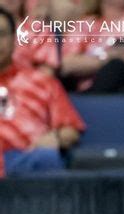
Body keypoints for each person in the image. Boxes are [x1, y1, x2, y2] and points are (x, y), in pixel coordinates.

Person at [0, 7, 84, 175]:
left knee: (47, 157)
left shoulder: (43, 82)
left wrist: (56, 138)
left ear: (14, 39)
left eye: (1, 34)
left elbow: (71, 129)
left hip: (24, 160)